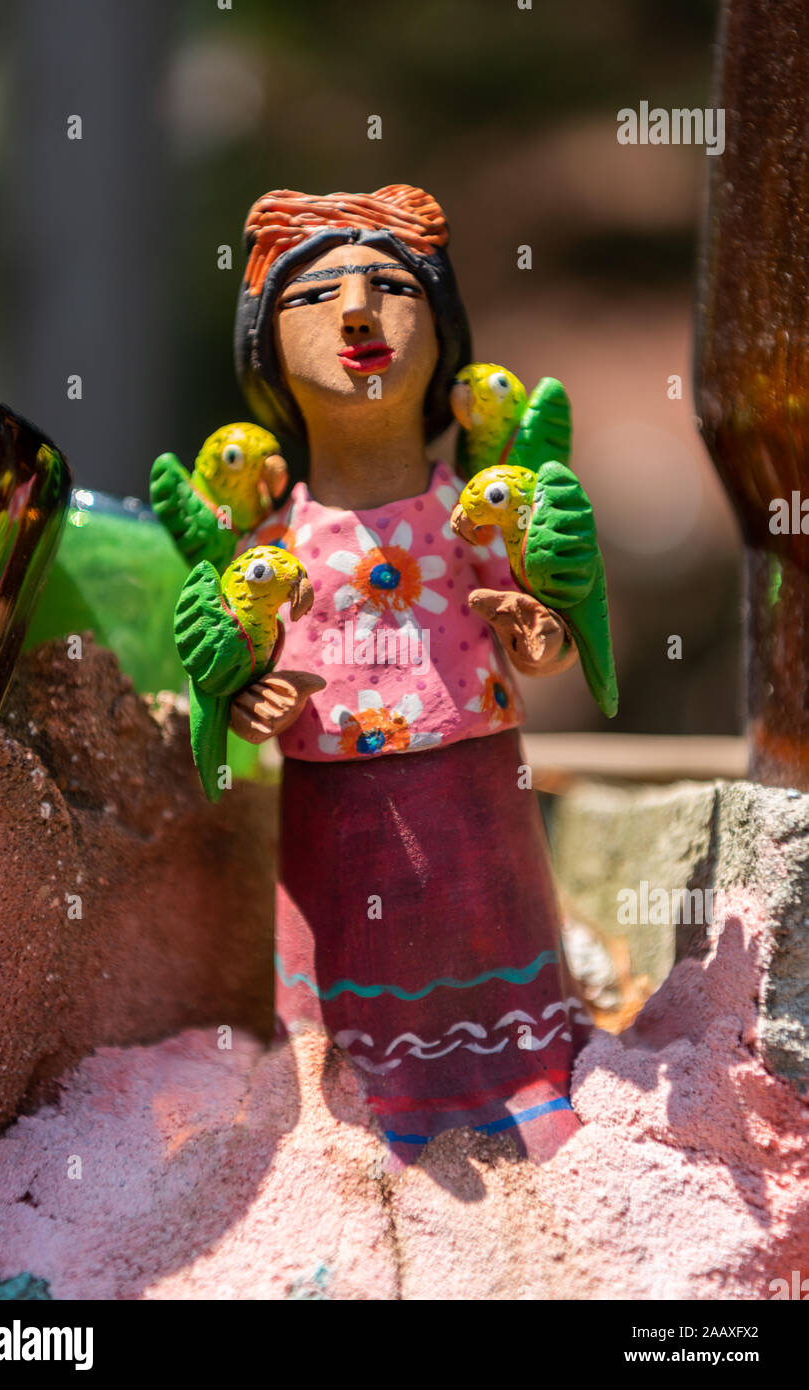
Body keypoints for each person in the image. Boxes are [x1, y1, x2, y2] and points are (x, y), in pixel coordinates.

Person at [229, 185, 588, 1162]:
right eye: (314, 297)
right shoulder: (273, 544)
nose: (356, 313)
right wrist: (251, 701)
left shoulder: (478, 509)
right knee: (349, 971)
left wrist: (538, 634)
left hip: (474, 792)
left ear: (443, 336)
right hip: (330, 812)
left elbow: (543, 636)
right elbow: (240, 662)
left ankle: (513, 1072)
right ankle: (348, 1085)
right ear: (266, 352)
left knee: (486, 943)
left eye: (390, 288)